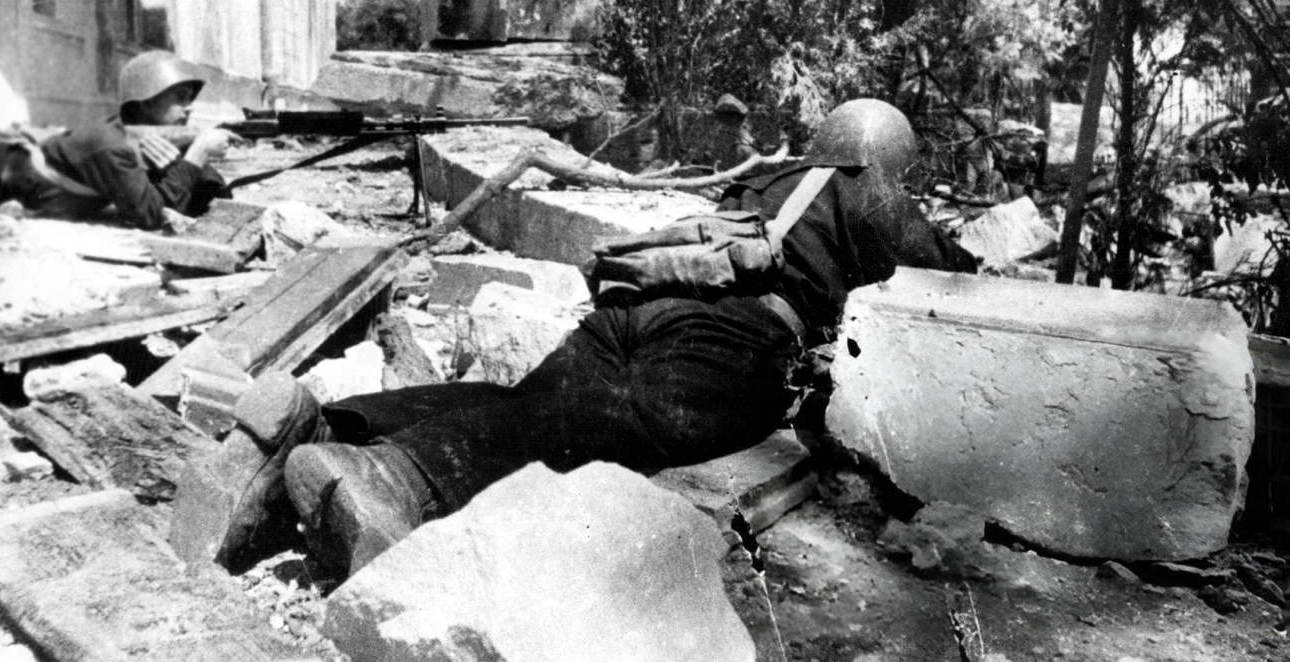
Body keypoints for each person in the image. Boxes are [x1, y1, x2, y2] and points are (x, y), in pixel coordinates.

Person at [210, 98, 978, 577]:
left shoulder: (769, 183)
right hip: (731, 339)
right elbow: (956, 280)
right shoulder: (870, 190)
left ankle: (333, 428)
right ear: (887, 161)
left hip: (633, 309)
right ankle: (397, 479)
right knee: (596, 432)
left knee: (536, 406)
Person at [0, 50, 234, 229]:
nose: (189, 108)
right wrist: (196, 155)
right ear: (147, 100)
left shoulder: (141, 139)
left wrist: (185, 164)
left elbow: (210, 197)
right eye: (180, 98)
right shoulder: (111, 144)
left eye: (190, 99)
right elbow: (151, 215)